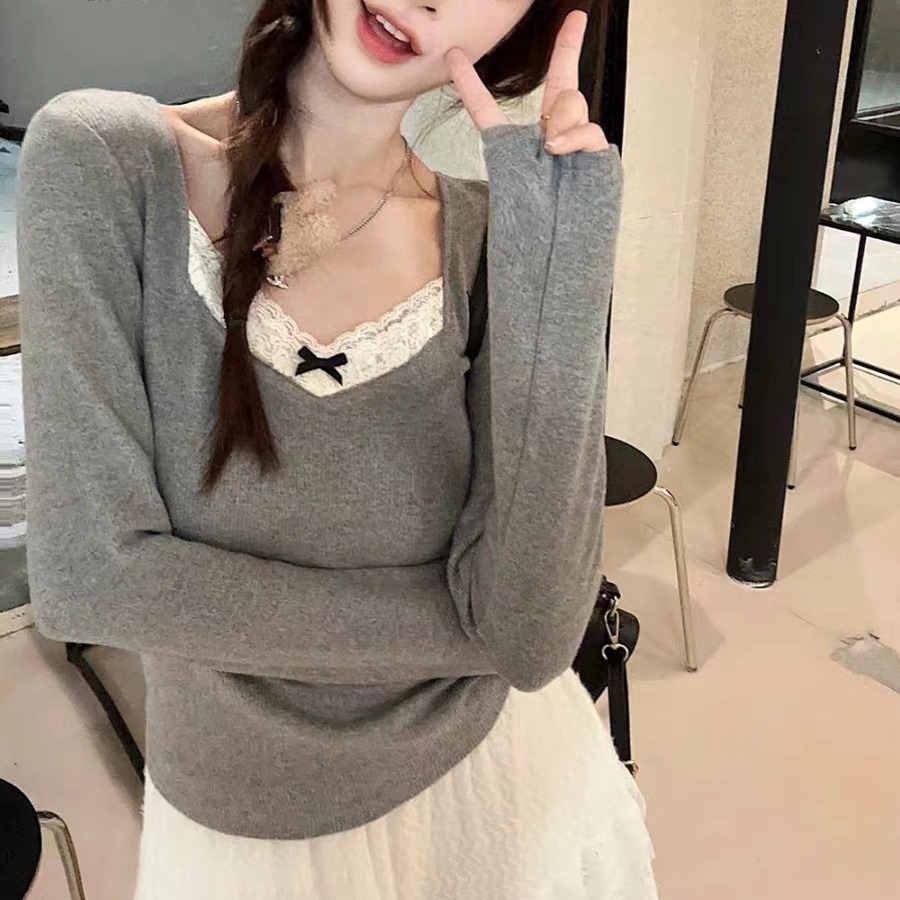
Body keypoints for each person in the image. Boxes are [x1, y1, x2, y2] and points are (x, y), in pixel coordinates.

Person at [16, 0, 658, 896]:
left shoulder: (485, 234)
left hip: (501, 790)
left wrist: (564, 264)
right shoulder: (107, 159)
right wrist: (470, 629)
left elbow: (534, 634)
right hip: (246, 823)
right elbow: (92, 580)